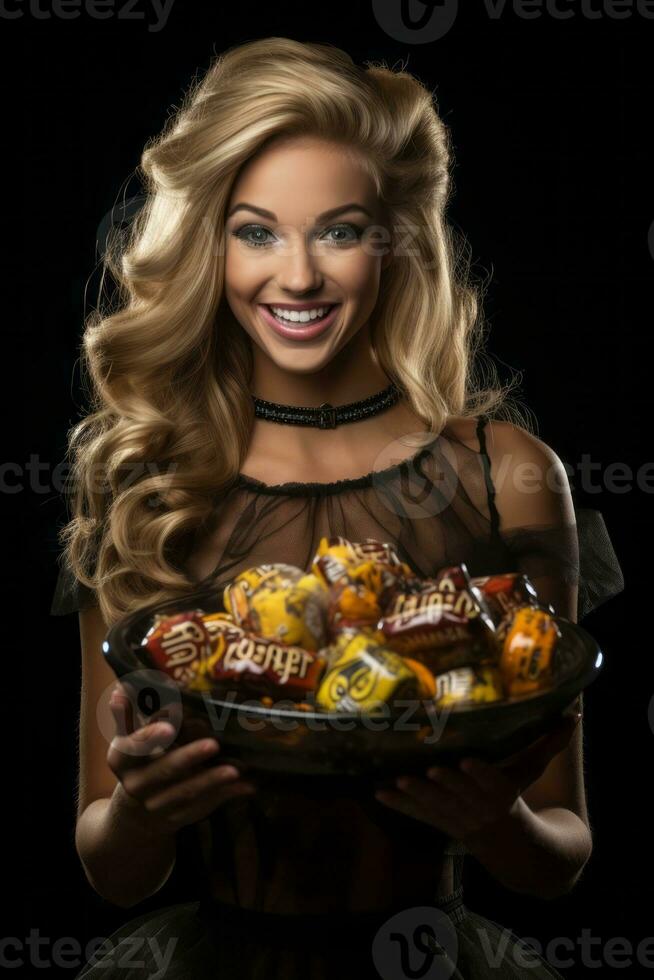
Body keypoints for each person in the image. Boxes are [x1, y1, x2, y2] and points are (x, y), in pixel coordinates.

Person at [50, 37, 624, 979]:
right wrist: (141, 812)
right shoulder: (144, 483)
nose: (301, 276)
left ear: (398, 242)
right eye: (257, 231)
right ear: (210, 243)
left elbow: (558, 858)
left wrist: (501, 821)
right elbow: (111, 870)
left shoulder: (507, 475)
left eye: (342, 230)